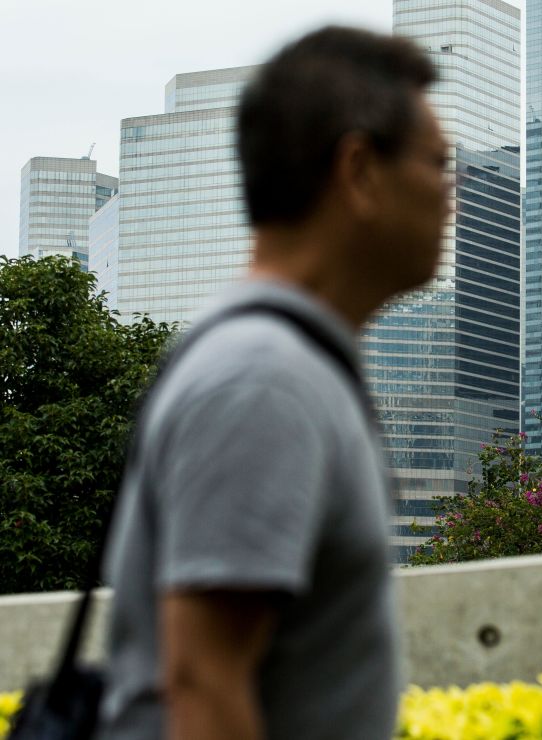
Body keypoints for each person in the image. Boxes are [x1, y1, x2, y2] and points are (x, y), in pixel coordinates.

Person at [98, 26, 448, 740]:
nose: (452, 192)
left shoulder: (285, 364)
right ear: (359, 171)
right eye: (438, 164)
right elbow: (203, 686)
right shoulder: (265, 383)